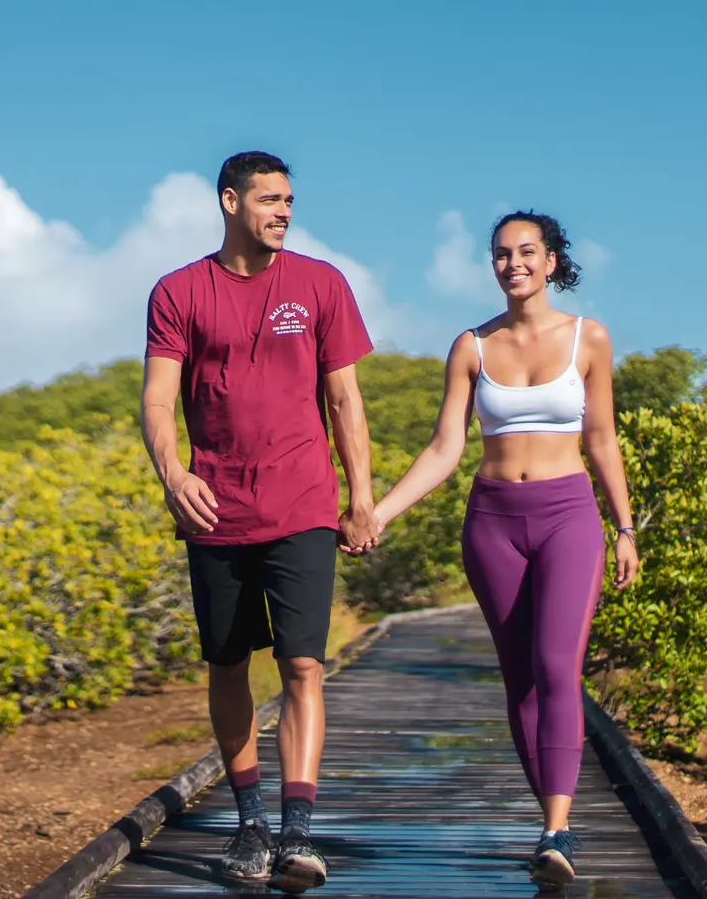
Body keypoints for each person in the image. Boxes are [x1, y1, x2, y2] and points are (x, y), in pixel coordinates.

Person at [365, 210, 640, 887]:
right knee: (518, 677)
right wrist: (379, 511)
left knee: (555, 665)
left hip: (568, 516)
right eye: (500, 254)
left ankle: (557, 828)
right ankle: (546, 822)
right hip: (492, 520)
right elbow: (445, 448)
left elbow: (602, 439)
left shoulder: (589, 340)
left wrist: (625, 527)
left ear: (551, 262)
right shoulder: (471, 346)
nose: (511, 263)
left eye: (525, 252)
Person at [140, 150, 381, 893]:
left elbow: (345, 401)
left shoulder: (320, 284)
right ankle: (250, 823)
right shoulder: (178, 291)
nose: (283, 211)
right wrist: (173, 474)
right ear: (229, 201)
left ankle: (299, 832)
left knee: (304, 664)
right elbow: (157, 399)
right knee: (228, 663)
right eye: (270, 199)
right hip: (215, 508)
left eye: (289, 201)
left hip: (303, 502)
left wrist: (361, 497)